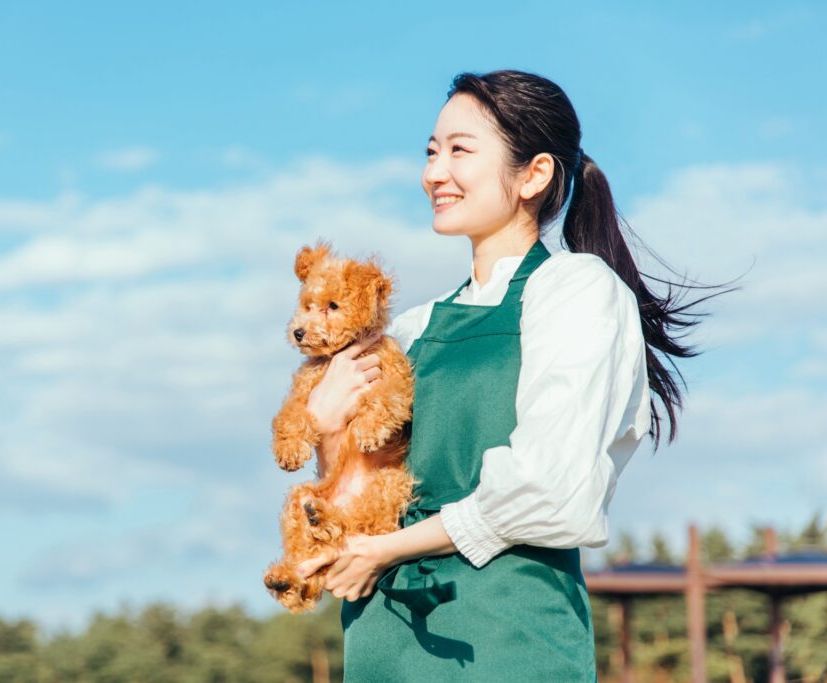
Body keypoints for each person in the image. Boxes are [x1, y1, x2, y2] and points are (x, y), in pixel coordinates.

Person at [296, 70, 711, 681]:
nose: (434, 172)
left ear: (535, 174)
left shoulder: (577, 293)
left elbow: (549, 490)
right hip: (382, 639)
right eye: (431, 152)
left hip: (504, 636)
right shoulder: (410, 330)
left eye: (460, 150)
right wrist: (324, 422)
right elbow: (359, 478)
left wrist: (388, 549)